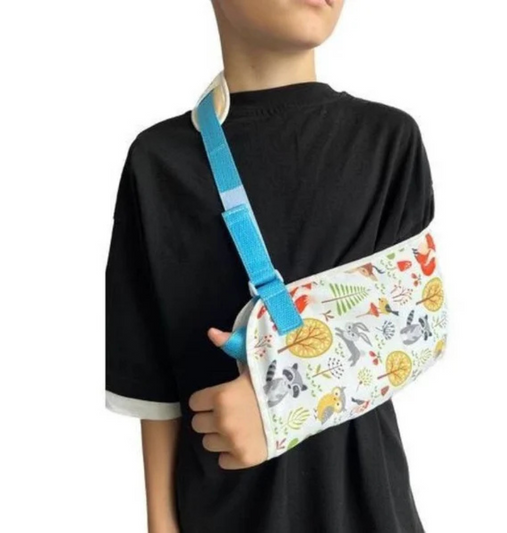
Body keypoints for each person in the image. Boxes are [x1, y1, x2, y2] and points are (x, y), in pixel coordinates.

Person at [106, 1, 435, 531]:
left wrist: (278, 403)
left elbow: (418, 325)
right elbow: (153, 386)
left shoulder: (389, 142)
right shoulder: (158, 162)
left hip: (367, 508)